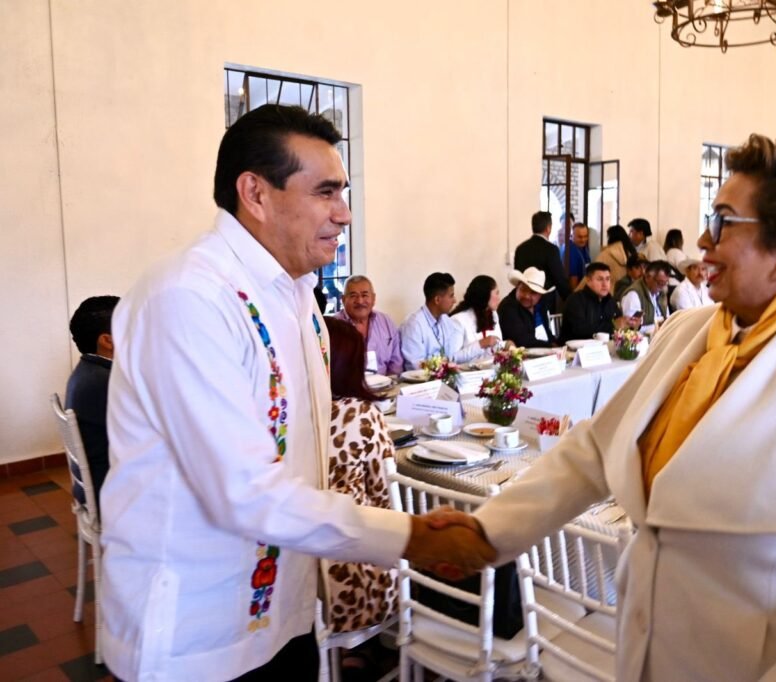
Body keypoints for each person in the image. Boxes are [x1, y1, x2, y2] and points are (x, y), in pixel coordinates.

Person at [431, 133, 776, 681]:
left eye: (723, 222)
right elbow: (596, 448)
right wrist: (490, 531)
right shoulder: (686, 331)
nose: (704, 242)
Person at [100, 105, 492, 681]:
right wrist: (408, 535)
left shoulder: (298, 295)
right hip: (196, 629)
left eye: (343, 192)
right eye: (325, 192)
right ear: (255, 193)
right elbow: (243, 491)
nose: (345, 213)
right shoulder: (188, 298)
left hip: (285, 610)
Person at [321, 316, 399, 680]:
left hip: (300, 558)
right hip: (351, 567)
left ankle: (353, 652)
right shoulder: (363, 414)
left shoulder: (293, 412)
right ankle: (369, 647)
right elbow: (384, 496)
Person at [65, 295, 119, 507]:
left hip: (97, 481)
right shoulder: (106, 382)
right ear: (107, 341)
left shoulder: (89, 371)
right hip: (109, 490)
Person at [400, 272, 493, 369]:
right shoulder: (414, 325)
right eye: (451, 296)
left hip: (445, 375)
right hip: (423, 377)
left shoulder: (446, 320)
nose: (455, 300)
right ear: (437, 300)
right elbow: (415, 366)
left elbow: (452, 357)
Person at [334, 275, 404, 376]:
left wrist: (390, 382)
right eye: (353, 296)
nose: (360, 301)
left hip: (386, 384)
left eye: (365, 295)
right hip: (346, 385)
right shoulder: (333, 326)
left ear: (373, 298)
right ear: (343, 299)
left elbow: (396, 364)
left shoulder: (386, 322)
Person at [560, 262, 636, 342]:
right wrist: (613, 326)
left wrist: (630, 325)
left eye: (607, 279)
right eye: (600, 279)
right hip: (575, 348)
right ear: (588, 281)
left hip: (605, 347)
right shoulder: (575, 300)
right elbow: (580, 330)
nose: (605, 284)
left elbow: (619, 326)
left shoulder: (610, 301)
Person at [514, 211, 571, 303]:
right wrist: (570, 300)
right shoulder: (551, 249)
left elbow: (518, 277)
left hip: (523, 299)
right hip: (544, 301)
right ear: (548, 228)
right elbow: (559, 279)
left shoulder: (520, 249)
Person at [497, 267, 556, 348]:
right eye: (523, 290)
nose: (527, 296)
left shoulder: (541, 305)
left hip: (546, 352)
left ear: (540, 295)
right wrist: (551, 346)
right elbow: (523, 341)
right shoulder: (508, 307)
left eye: (533, 292)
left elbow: (548, 334)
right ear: (517, 287)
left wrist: (556, 345)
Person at [450, 275, 504, 358]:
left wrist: (506, 345)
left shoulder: (493, 314)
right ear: (485, 294)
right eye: (496, 293)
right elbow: (452, 357)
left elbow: (496, 344)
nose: (499, 298)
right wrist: (480, 344)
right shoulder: (458, 320)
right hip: (468, 367)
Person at [620, 259, 671, 332]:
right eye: (660, 283)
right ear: (648, 277)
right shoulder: (633, 295)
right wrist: (657, 327)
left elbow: (667, 317)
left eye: (665, 283)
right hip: (644, 338)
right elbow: (631, 328)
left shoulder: (661, 293)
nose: (662, 286)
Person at [566, 222, 592, 290]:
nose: (583, 240)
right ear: (571, 236)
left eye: (585, 236)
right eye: (580, 237)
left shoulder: (584, 248)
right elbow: (573, 279)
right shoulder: (571, 251)